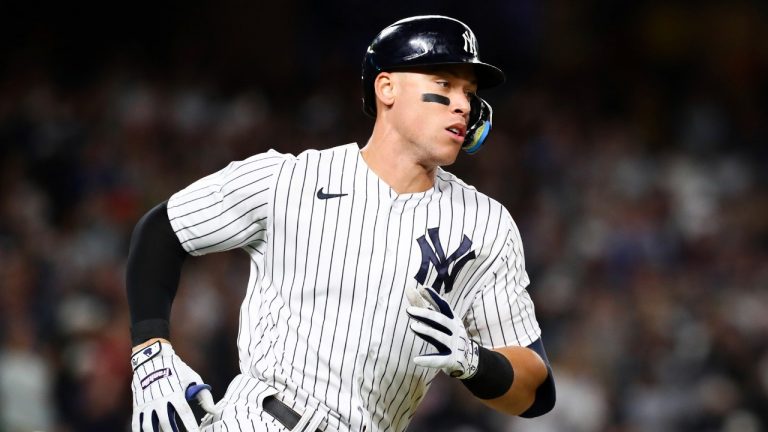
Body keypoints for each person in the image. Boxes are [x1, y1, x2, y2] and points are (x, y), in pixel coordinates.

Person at [126, 15, 556, 432]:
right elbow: (162, 230)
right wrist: (150, 350)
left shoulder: (487, 223)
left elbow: (536, 392)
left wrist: (477, 363)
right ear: (387, 87)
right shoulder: (289, 179)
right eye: (444, 84)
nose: (463, 104)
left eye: (470, 91)